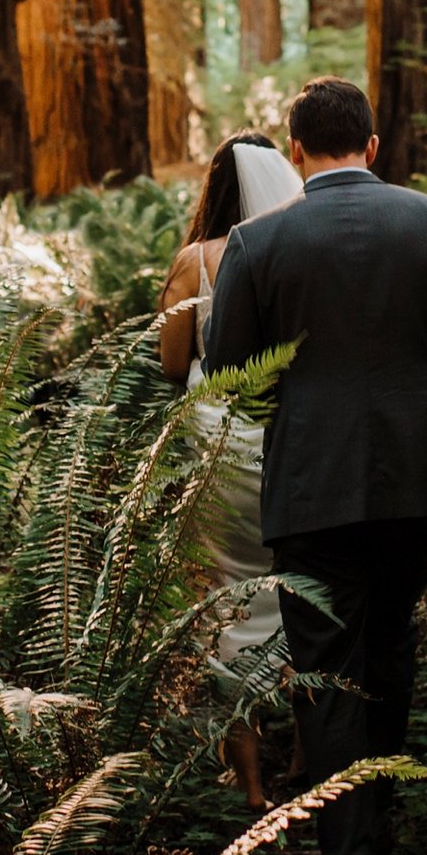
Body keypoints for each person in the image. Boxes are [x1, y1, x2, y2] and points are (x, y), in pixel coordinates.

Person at [202, 77, 427, 855]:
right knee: (389, 641)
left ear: (296, 153)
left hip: (312, 487)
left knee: (327, 669)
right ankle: (381, 828)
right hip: (422, 484)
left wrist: (296, 421)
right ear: (373, 147)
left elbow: (230, 379)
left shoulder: (258, 245)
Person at [158, 130, 307, 808]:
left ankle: (248, 783)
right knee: (299, 584)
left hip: (217, 435)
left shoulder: (199, 260)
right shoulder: (302, 250)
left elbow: (170, 361)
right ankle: (308, 753)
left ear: (214, 186)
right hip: (288, 435)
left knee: (223, 594)